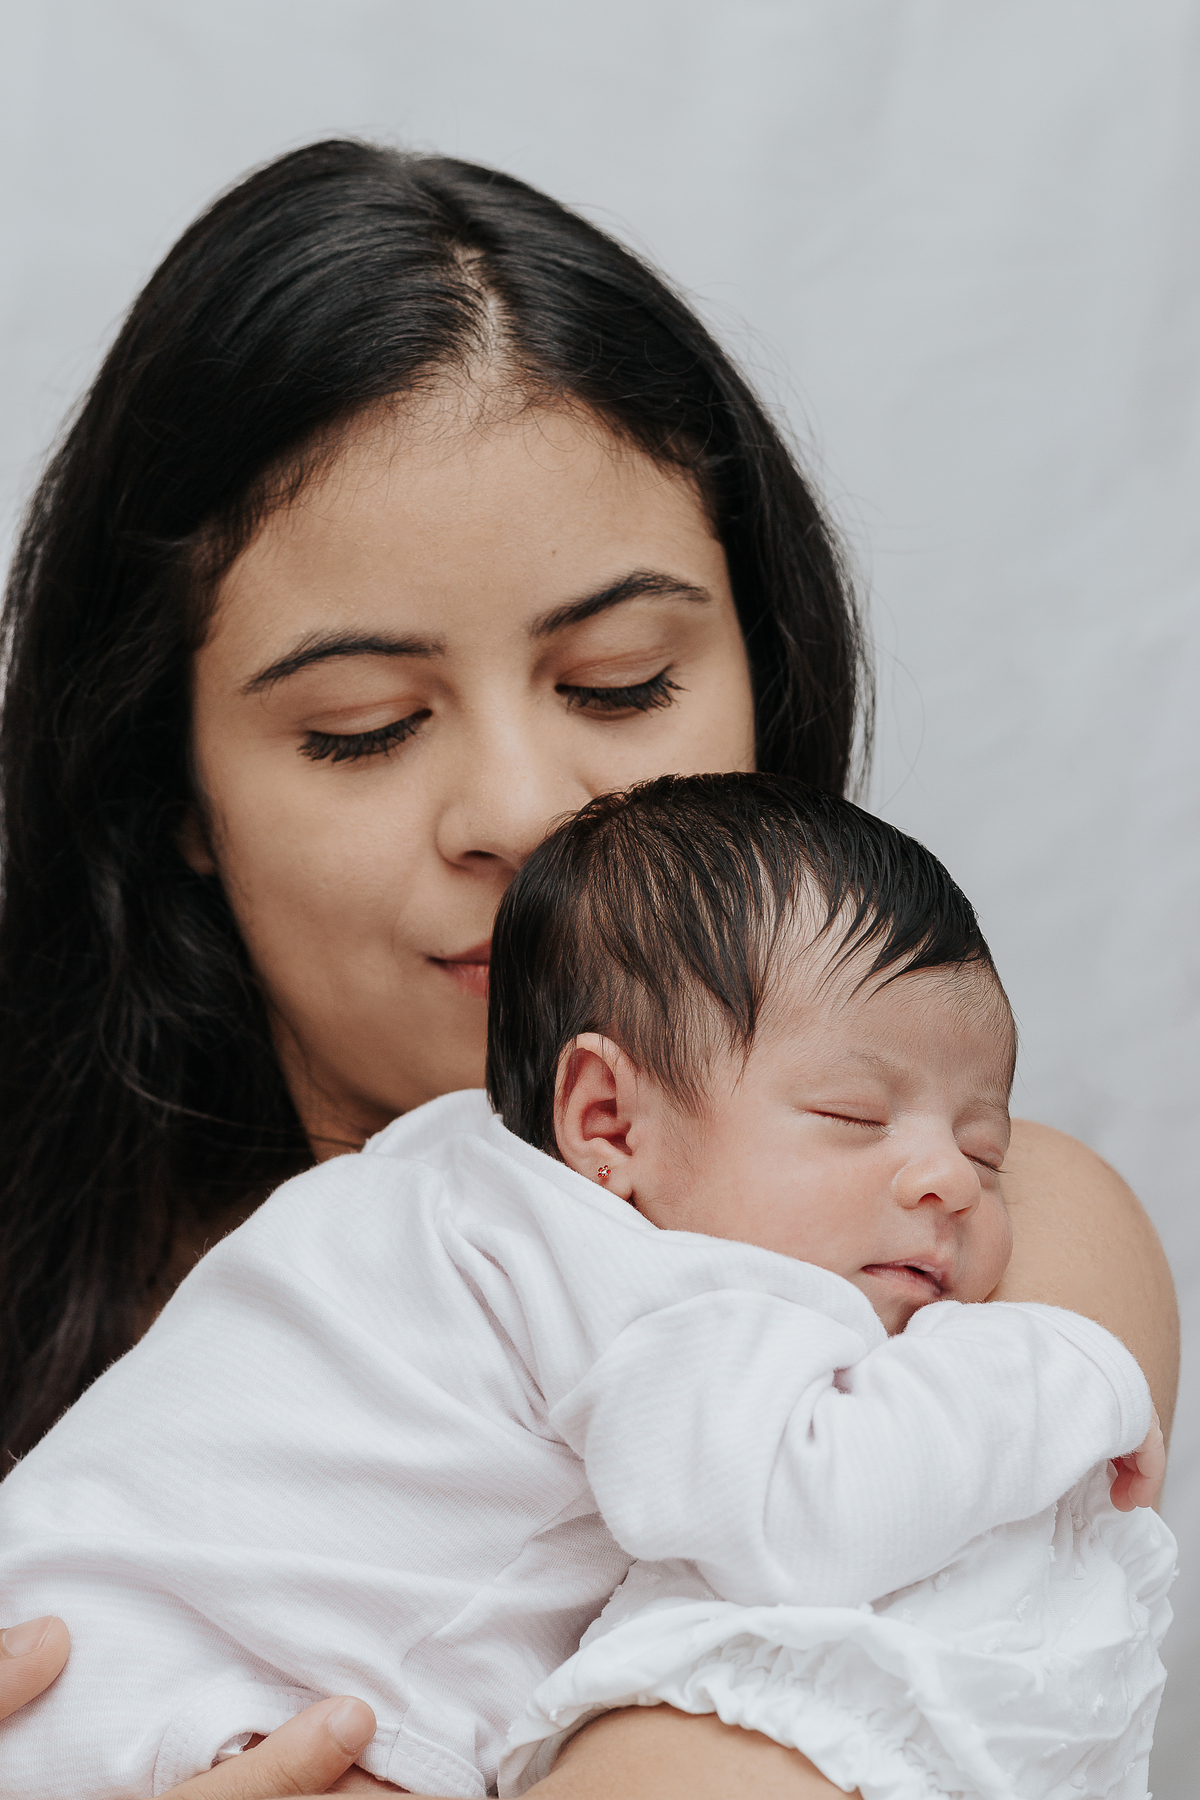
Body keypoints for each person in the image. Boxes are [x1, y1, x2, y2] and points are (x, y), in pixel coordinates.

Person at [0, 140, 1178, 1800]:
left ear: (762, 676)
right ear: (170, 789)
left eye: (622, 683)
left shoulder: (960, 1247)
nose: (527, 812)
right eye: (364, 728)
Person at [0, 775, 1174, 1800]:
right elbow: (803, 1514)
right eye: (851, 1118)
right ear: (607, 1121)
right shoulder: (654, 1269)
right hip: (128, 1716)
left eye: (983, 1148)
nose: (949, 1184)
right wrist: (1062, 1374)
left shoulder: (436, 1169)